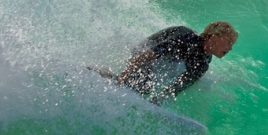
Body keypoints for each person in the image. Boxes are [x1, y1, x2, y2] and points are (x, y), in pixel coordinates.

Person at [95, 22, 238, 104]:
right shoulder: (186, 38)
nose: (230, 48)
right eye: (228, 42)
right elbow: (147, 55)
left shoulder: (203, 64)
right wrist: (124, 76)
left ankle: (106, 76)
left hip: (161, 60)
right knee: (134, 85)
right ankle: (96, 72)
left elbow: (176, 87)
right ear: (213, 37)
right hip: (144, 51)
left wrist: (157, 103)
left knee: (143, 88)